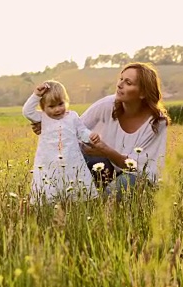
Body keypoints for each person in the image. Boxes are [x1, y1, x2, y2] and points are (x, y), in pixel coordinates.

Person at [31, 62, 170, 199]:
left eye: (128, 82)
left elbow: (135, 167)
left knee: (109, 197)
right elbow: (73, 127)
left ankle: (101, 198)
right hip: (107, 167)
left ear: (143, 93)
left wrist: (105, 150)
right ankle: (57, 196)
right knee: (74, 160)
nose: (119, 84)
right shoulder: (107, 105)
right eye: (120, 79)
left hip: (137, 176)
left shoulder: (157, 122)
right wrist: (52, 125)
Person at [23, 80, 101, 205]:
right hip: (49, 163)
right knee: (50, 187)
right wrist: (36, 95)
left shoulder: (72, 116)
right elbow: (27, 111)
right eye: (51, 106)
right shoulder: (42, 118)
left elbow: (82, 132)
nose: (58, 109)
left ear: (66, 101)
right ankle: (52, 209)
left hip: (71, 160)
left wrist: (91, 136)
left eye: (61, 104)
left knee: (74, 185)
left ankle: (75, 207)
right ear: (43, 107)